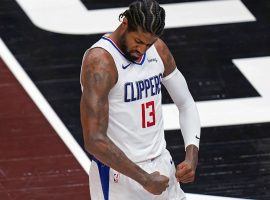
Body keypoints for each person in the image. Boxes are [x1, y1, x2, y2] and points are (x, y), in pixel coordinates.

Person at [80, 0, 201, 199]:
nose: (142, 50)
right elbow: (94, 140)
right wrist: (144, 178)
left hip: (162, 166)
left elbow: (186, 103)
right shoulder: (101, 62)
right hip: (120, 175)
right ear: (125, 23)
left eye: (149, 43)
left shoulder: (158, 50)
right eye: (138, 41)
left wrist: (192, 155)